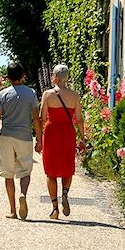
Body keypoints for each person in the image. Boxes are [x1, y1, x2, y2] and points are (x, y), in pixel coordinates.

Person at [0, 62, 42, 220]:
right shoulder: (31, 93)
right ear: (23, 75)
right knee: (25, 171)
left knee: (8, 174)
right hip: (24, 136)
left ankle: (12, 210)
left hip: (6, 137)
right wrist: (39, 139)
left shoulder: (3, 94)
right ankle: (23, 194)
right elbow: (36, 119)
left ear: (8, 77)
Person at [39, 64, 85, 220]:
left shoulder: (48, 94)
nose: (51, 76)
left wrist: (39, 138)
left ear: (57, 77)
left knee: (50, 171)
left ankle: (54, 208)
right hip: (68, 132)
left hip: (52, 132)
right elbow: (79, 119)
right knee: (67, 166)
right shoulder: (75, 96)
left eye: (52, 74)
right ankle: (65, 193)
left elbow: (42, 117)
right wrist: (83, 138)